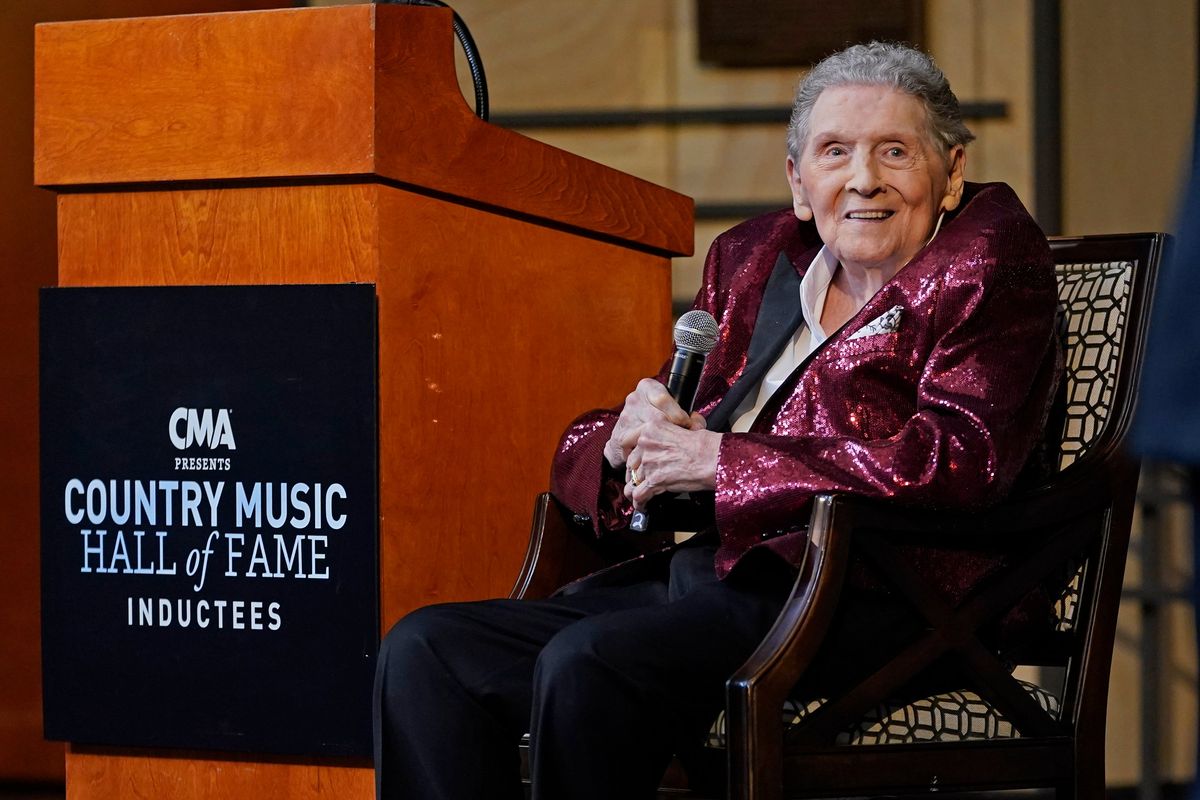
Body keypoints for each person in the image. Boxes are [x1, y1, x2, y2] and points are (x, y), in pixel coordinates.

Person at [374, 41, 1062, 800]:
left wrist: (724, 463)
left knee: (592, 662)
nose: (865, 179)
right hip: (724, 578)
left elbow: (960, 457)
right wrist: (629, 444)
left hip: (886, 596)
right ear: (800, 182)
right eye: (836, 153)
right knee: (428, 651)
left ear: (952, 172)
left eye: (895, 151)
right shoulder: (756, 258)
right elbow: (681, 428)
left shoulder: (990, 263)